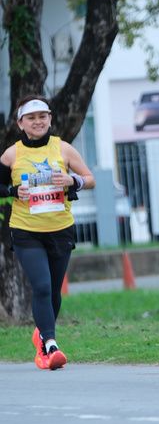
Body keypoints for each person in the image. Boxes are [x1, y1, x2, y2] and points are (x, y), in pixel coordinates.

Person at [0, 94, 95, 370]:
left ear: (50, 119)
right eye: (31, 118)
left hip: (60, 229)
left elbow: (90, 179)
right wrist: (12, 191)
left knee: (53, 291)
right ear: (20, 123)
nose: (37, 121)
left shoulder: (63, 149)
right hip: (26, 231)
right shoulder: (12, 154)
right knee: (40, 286)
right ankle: (50, 346)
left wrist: (72, 180)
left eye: (42, 116)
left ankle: (42, 333)